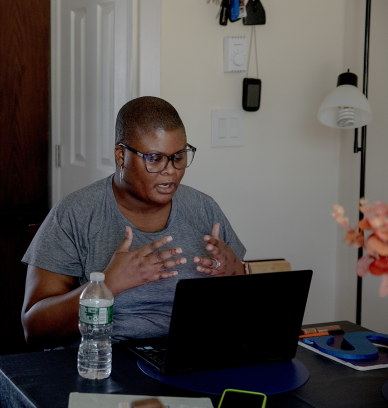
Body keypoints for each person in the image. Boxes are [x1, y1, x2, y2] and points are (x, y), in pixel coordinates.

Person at [21, 97, 247, 350]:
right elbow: (35, 329)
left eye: (179, 157)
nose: (170, 170)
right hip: (108, 363)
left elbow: (249, 310)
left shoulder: (204, 208)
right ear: (121, 155)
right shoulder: (75, 213)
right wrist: (107, 285)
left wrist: (237, 272)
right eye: (154, 158)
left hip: (197, 356)